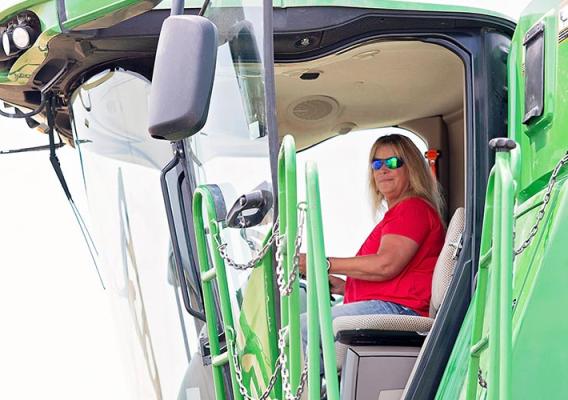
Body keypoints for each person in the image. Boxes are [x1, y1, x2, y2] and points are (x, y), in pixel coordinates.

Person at [299, 133, 446, 357]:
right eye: (376, 164)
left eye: (393, 162)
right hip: (393, 307)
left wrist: (321, 263)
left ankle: (307, 393)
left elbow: (386, 265)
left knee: (302, 330)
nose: (383, 170)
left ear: (412, 169)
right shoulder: (398, 214)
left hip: (401, 311)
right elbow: (396, 273)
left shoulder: (412, 208)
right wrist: (343, 286)